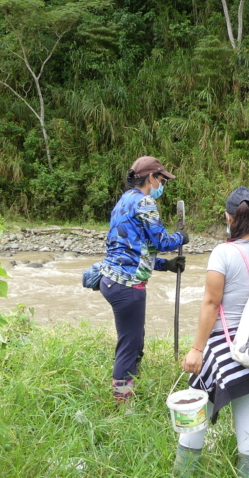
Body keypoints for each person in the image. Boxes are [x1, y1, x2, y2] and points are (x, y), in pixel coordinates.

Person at [176, 187, 249, 478]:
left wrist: (196, 349)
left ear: (228, 217)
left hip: (222, 351)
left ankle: (184, 473)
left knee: (194, 417)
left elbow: (212, 303)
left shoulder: (223, 253)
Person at [100, 156, 188, 402]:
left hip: (112, 280)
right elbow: (161, 241)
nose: (163, 184)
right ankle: (122, 404)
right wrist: (181, 237)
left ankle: (130, 390)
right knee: (130, 346)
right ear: (151, 178)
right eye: (161, 179)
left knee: (133, 340)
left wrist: (165, 265)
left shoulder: (123, 201)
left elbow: (134, 249)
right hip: (128, 286)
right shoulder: (145, 202)